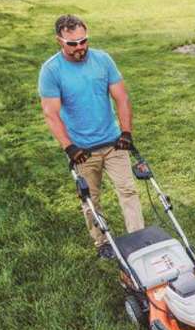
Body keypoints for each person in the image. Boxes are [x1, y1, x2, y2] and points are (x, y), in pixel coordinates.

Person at [39, 14, 144, 258]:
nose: (80, 47)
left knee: (128, 191)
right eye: (72, 43)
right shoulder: (51, 70)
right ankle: (102, 242)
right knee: (91, 200)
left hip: (113, 142)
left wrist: (126, 132)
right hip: (82, 150)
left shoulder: (103, 60)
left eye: (83, 41)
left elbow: (121, 97)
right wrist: (69, 147)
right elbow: (51, 114)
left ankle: (137, 238)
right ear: (59, 41)